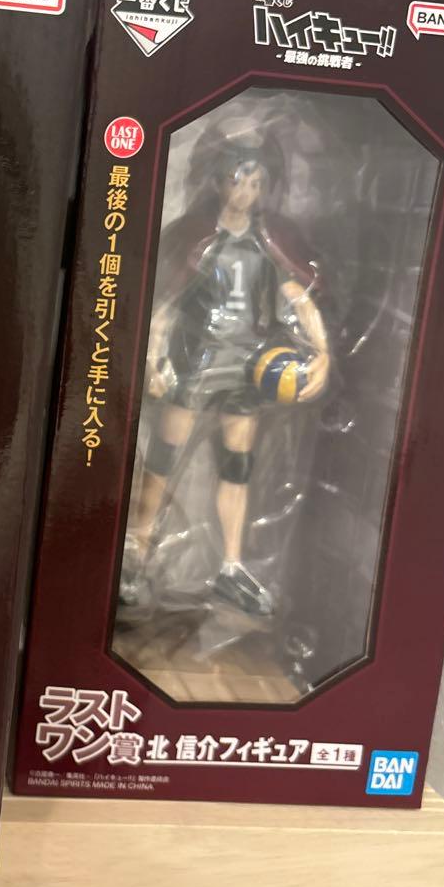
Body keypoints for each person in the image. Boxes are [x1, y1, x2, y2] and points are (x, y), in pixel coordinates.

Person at [121, 131, 330, 616]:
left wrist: (321, 350)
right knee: (162, 461)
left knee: (238, 467)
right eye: (239, 181)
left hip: (246, 369)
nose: (246, 192)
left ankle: (230, 569)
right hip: (194, 364)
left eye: (256, 183)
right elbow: (166, 305)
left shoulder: (267, 243)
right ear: (219, 182)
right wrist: (154, 359)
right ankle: (136, 553)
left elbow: (299, 298)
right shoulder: (197, 238)